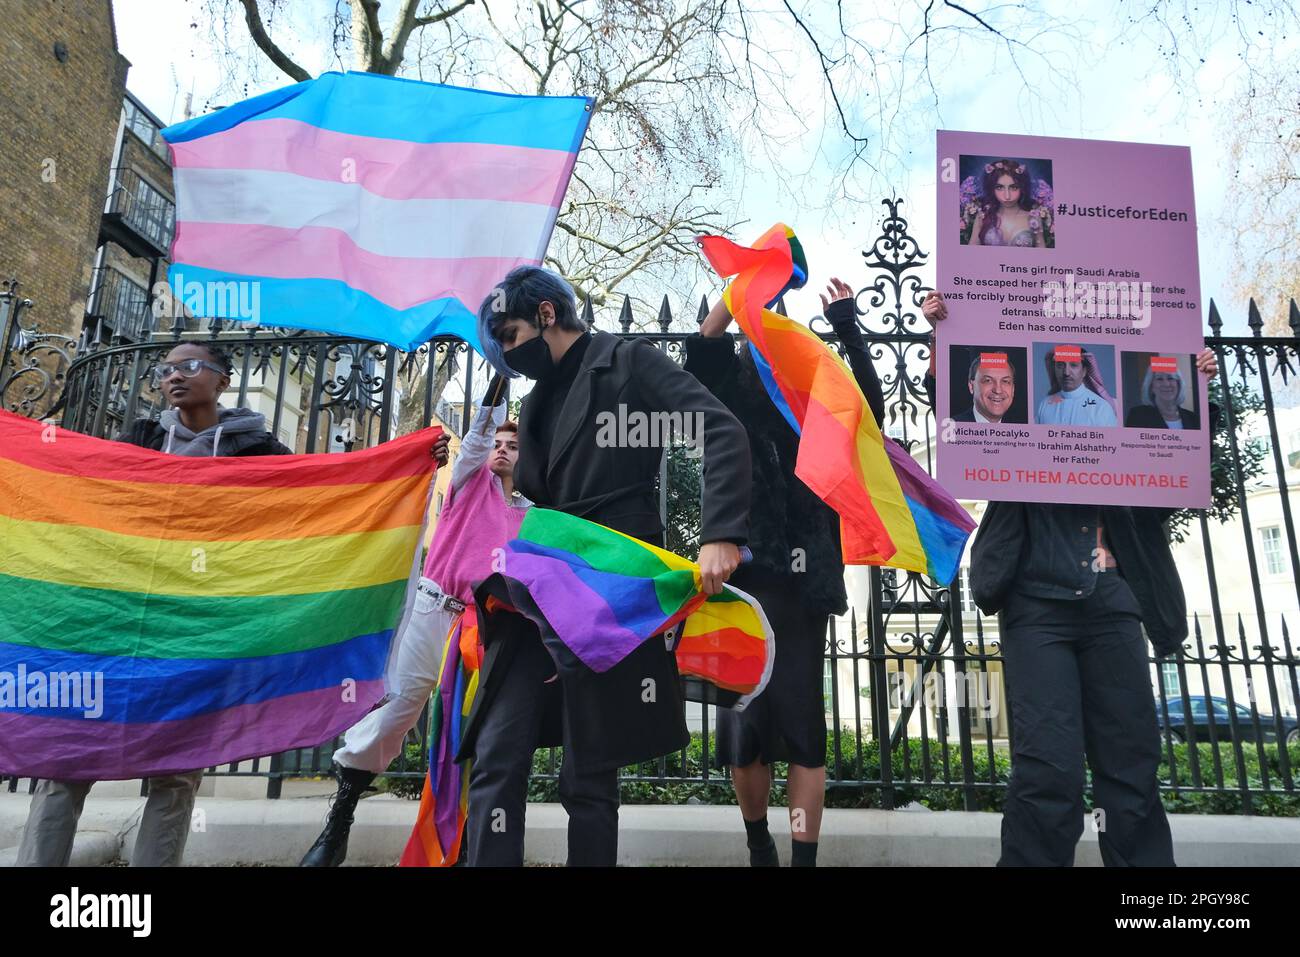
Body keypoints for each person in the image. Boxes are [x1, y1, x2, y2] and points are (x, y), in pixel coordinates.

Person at [464, 265, 751, 867]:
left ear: (547, 314)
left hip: (609, 587)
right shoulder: (536, 399)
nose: (511, 357)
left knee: (589, 770)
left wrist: (720, 534)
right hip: (535, 581)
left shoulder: (628, 362)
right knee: (496, 750)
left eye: (512, 336)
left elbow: (720, 429)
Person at [928, 296, 1221, 866]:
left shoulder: (1123, 416)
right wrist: (946, 335)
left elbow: (1172, 486)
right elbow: (955, 424)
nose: (1066, 369)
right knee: (1048, 769)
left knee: (1131, 763)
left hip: (1114, 599)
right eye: (1058, 362)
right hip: (1037, 600)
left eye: (1075, 361)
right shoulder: (1024, 413)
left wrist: (1201, 388)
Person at [15, 340, 299, 867]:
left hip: (196, 626)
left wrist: (411, 463)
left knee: (177, 769)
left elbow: (305, 506)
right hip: (114, 622)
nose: (175, 376)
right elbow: (87, 495)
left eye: (191, 366)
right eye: (166, 369)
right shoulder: (140, 440)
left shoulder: (259, 452)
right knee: (69, 761)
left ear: (222, 379)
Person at [682, 275, 908, 866]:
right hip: (742, 577)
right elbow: (702, 352)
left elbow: (869, 412)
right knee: (744, 734)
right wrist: (733, 299)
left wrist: (845, 324)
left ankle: (803, 860)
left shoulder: (815, 384)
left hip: (806, 586)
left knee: (805, 733)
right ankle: (761, 848)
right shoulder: (732, 383)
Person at [300, 376, 526, 867]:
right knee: (395, 712)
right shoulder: (469, 483)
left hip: (483, 631)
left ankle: (459, 843)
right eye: (499, 444)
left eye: (514, 445)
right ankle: (336, 829)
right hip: (432, 611)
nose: (503, 450)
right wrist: (502, 372)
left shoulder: (532, 516)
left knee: (470, 731)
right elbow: (480, 435)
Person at [1035, 345, 1118, 426]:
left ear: (1084, 371)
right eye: (1060, 365)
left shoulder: (1102, 408)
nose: (1066, 373)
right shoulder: (1045, 404)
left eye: (1073, 365)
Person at [970, 160, 1046, 248]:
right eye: (999, 187)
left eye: (1014, 187)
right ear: (991, 189)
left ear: (1022, 187)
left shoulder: (1033, 218)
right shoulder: (982, 217)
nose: (1007, 196)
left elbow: (1043, 255)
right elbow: (970, 254)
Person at [1124, 357, 1200, 429]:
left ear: (1178, 384)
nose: (1166, 384)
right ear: (1151, 386)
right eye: (1159, 379)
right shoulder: (1137, 415)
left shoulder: (1193, 418)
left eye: (1170, 378)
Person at [954, 351, 1018, 424]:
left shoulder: (1022, 428)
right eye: (988, 380)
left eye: (1005, 381)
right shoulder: (952, 427)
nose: (998, 390)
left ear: (1013, 389)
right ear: (971, 387)